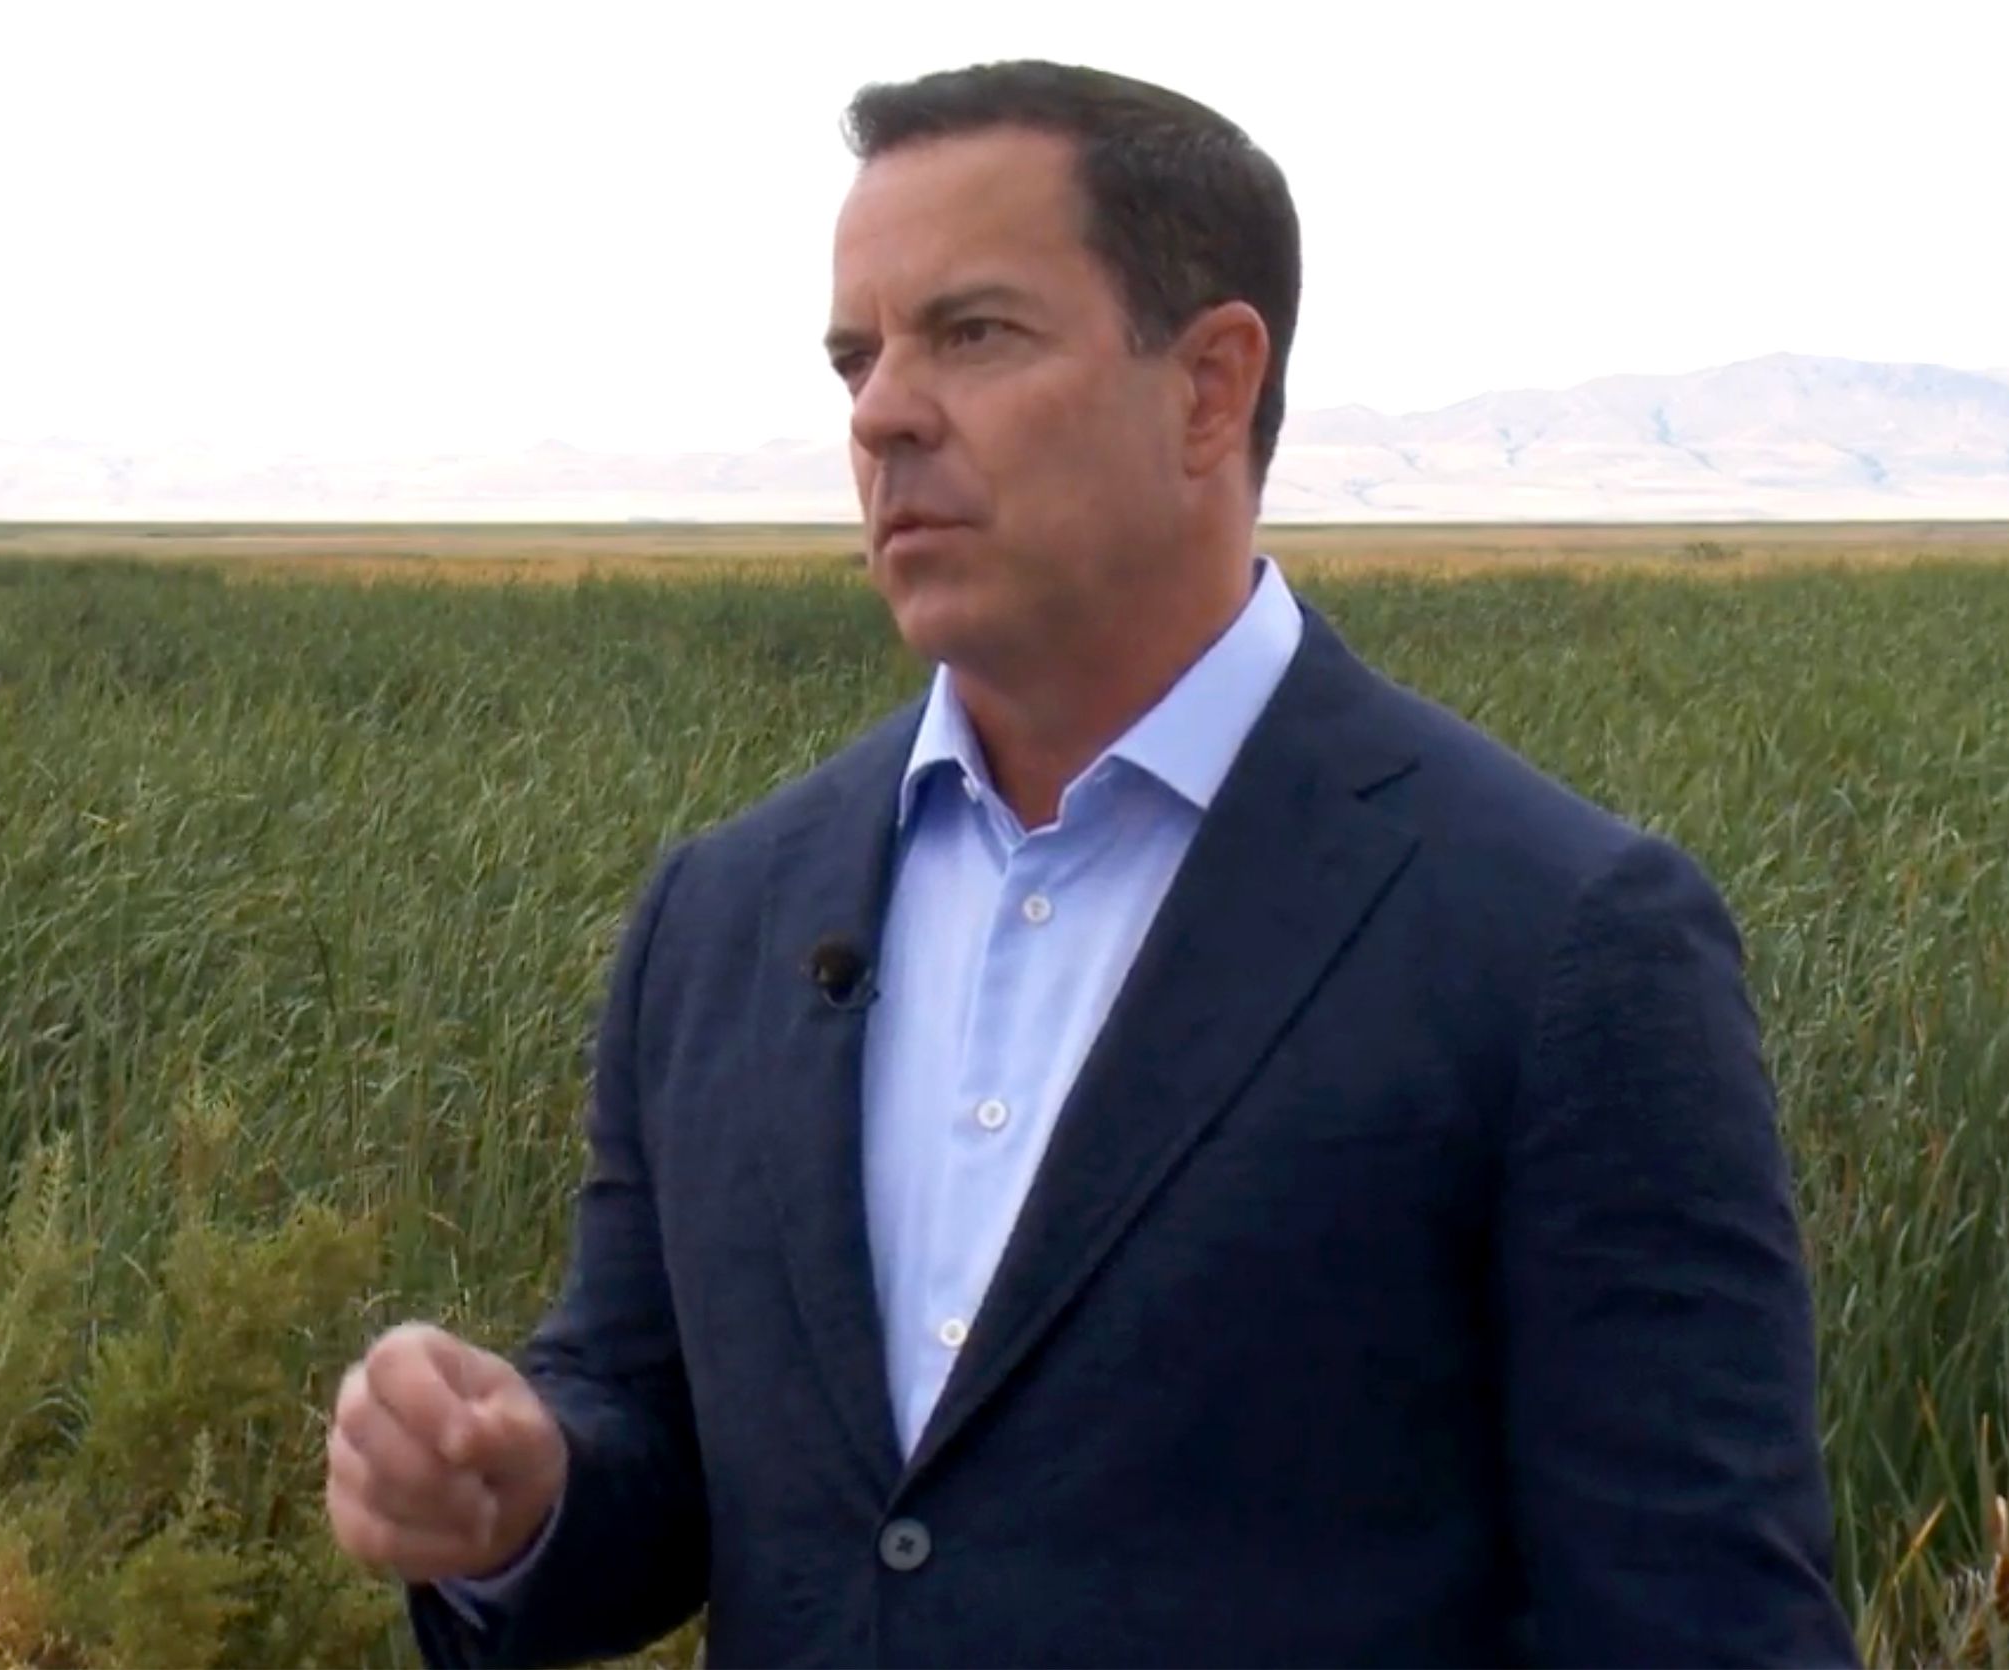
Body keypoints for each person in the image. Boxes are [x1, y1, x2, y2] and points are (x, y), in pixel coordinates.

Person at [323, 58, 1857, 1668]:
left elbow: (1701, 1619)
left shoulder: (1556, 937)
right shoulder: (724, 913)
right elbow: (663, 1451)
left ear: (1208, 384)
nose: (882, 411)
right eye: (858, 356)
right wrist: (523, 1492)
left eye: (972, 334)